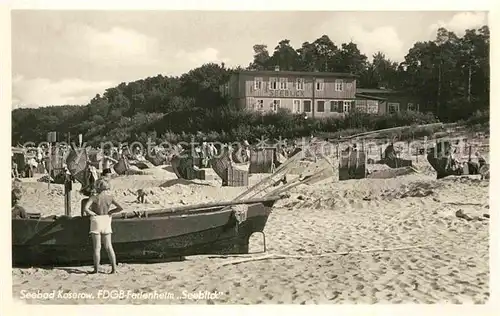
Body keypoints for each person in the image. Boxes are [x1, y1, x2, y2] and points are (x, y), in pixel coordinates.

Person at [83, 179, 123, 274]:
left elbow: (85, 208)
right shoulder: (110, 197)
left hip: (96, 220)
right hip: (106, 219)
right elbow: (120, 208)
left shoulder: (94, 197)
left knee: (97, 248)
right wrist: (111, 212)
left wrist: (92, 213)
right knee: (109, 247)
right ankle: (114, 269)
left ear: (98, 187)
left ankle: (96, 270)